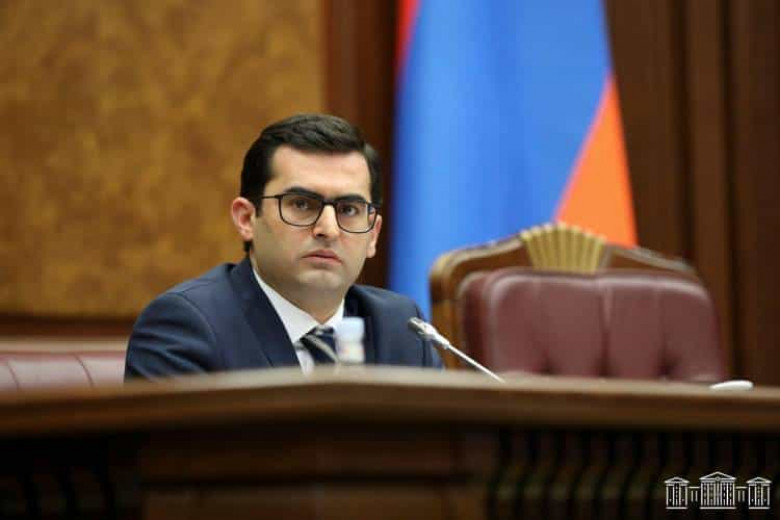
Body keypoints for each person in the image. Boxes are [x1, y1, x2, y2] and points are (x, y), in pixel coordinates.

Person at [125, 114, 442, 379]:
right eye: (301, 204)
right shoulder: (187, 327)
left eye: (348, 209)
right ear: (247, 219)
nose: (328, 229)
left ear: (372, 235)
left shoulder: (402, 329)